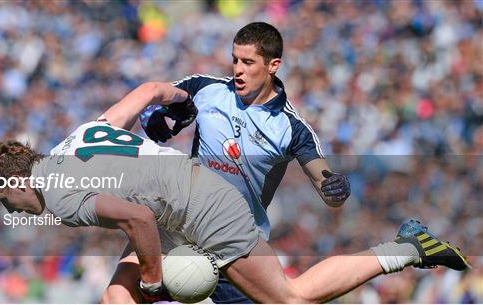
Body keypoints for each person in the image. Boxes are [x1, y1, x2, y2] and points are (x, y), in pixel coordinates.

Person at [0, 87, 470, 304]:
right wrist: (181, 101)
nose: (12, 210)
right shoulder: (79, 135)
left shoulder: (57, 195)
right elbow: (151, 87)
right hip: (177, 204)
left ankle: (407, 248)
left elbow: (136, 220)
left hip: (204, 209)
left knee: (289, 299)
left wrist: (153, 279)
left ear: (19, 182)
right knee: (115, 298)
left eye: (5, 200)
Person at [139, 22, 350, 303]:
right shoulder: (205, 89)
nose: (237, 69)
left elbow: (325, 183)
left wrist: (336, 187)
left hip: (237, 247)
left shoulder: (291, 128)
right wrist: (152, 114)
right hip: (183, 232)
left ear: (273, 65)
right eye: (235, 59)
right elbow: (154, 97)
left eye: (248, 62)